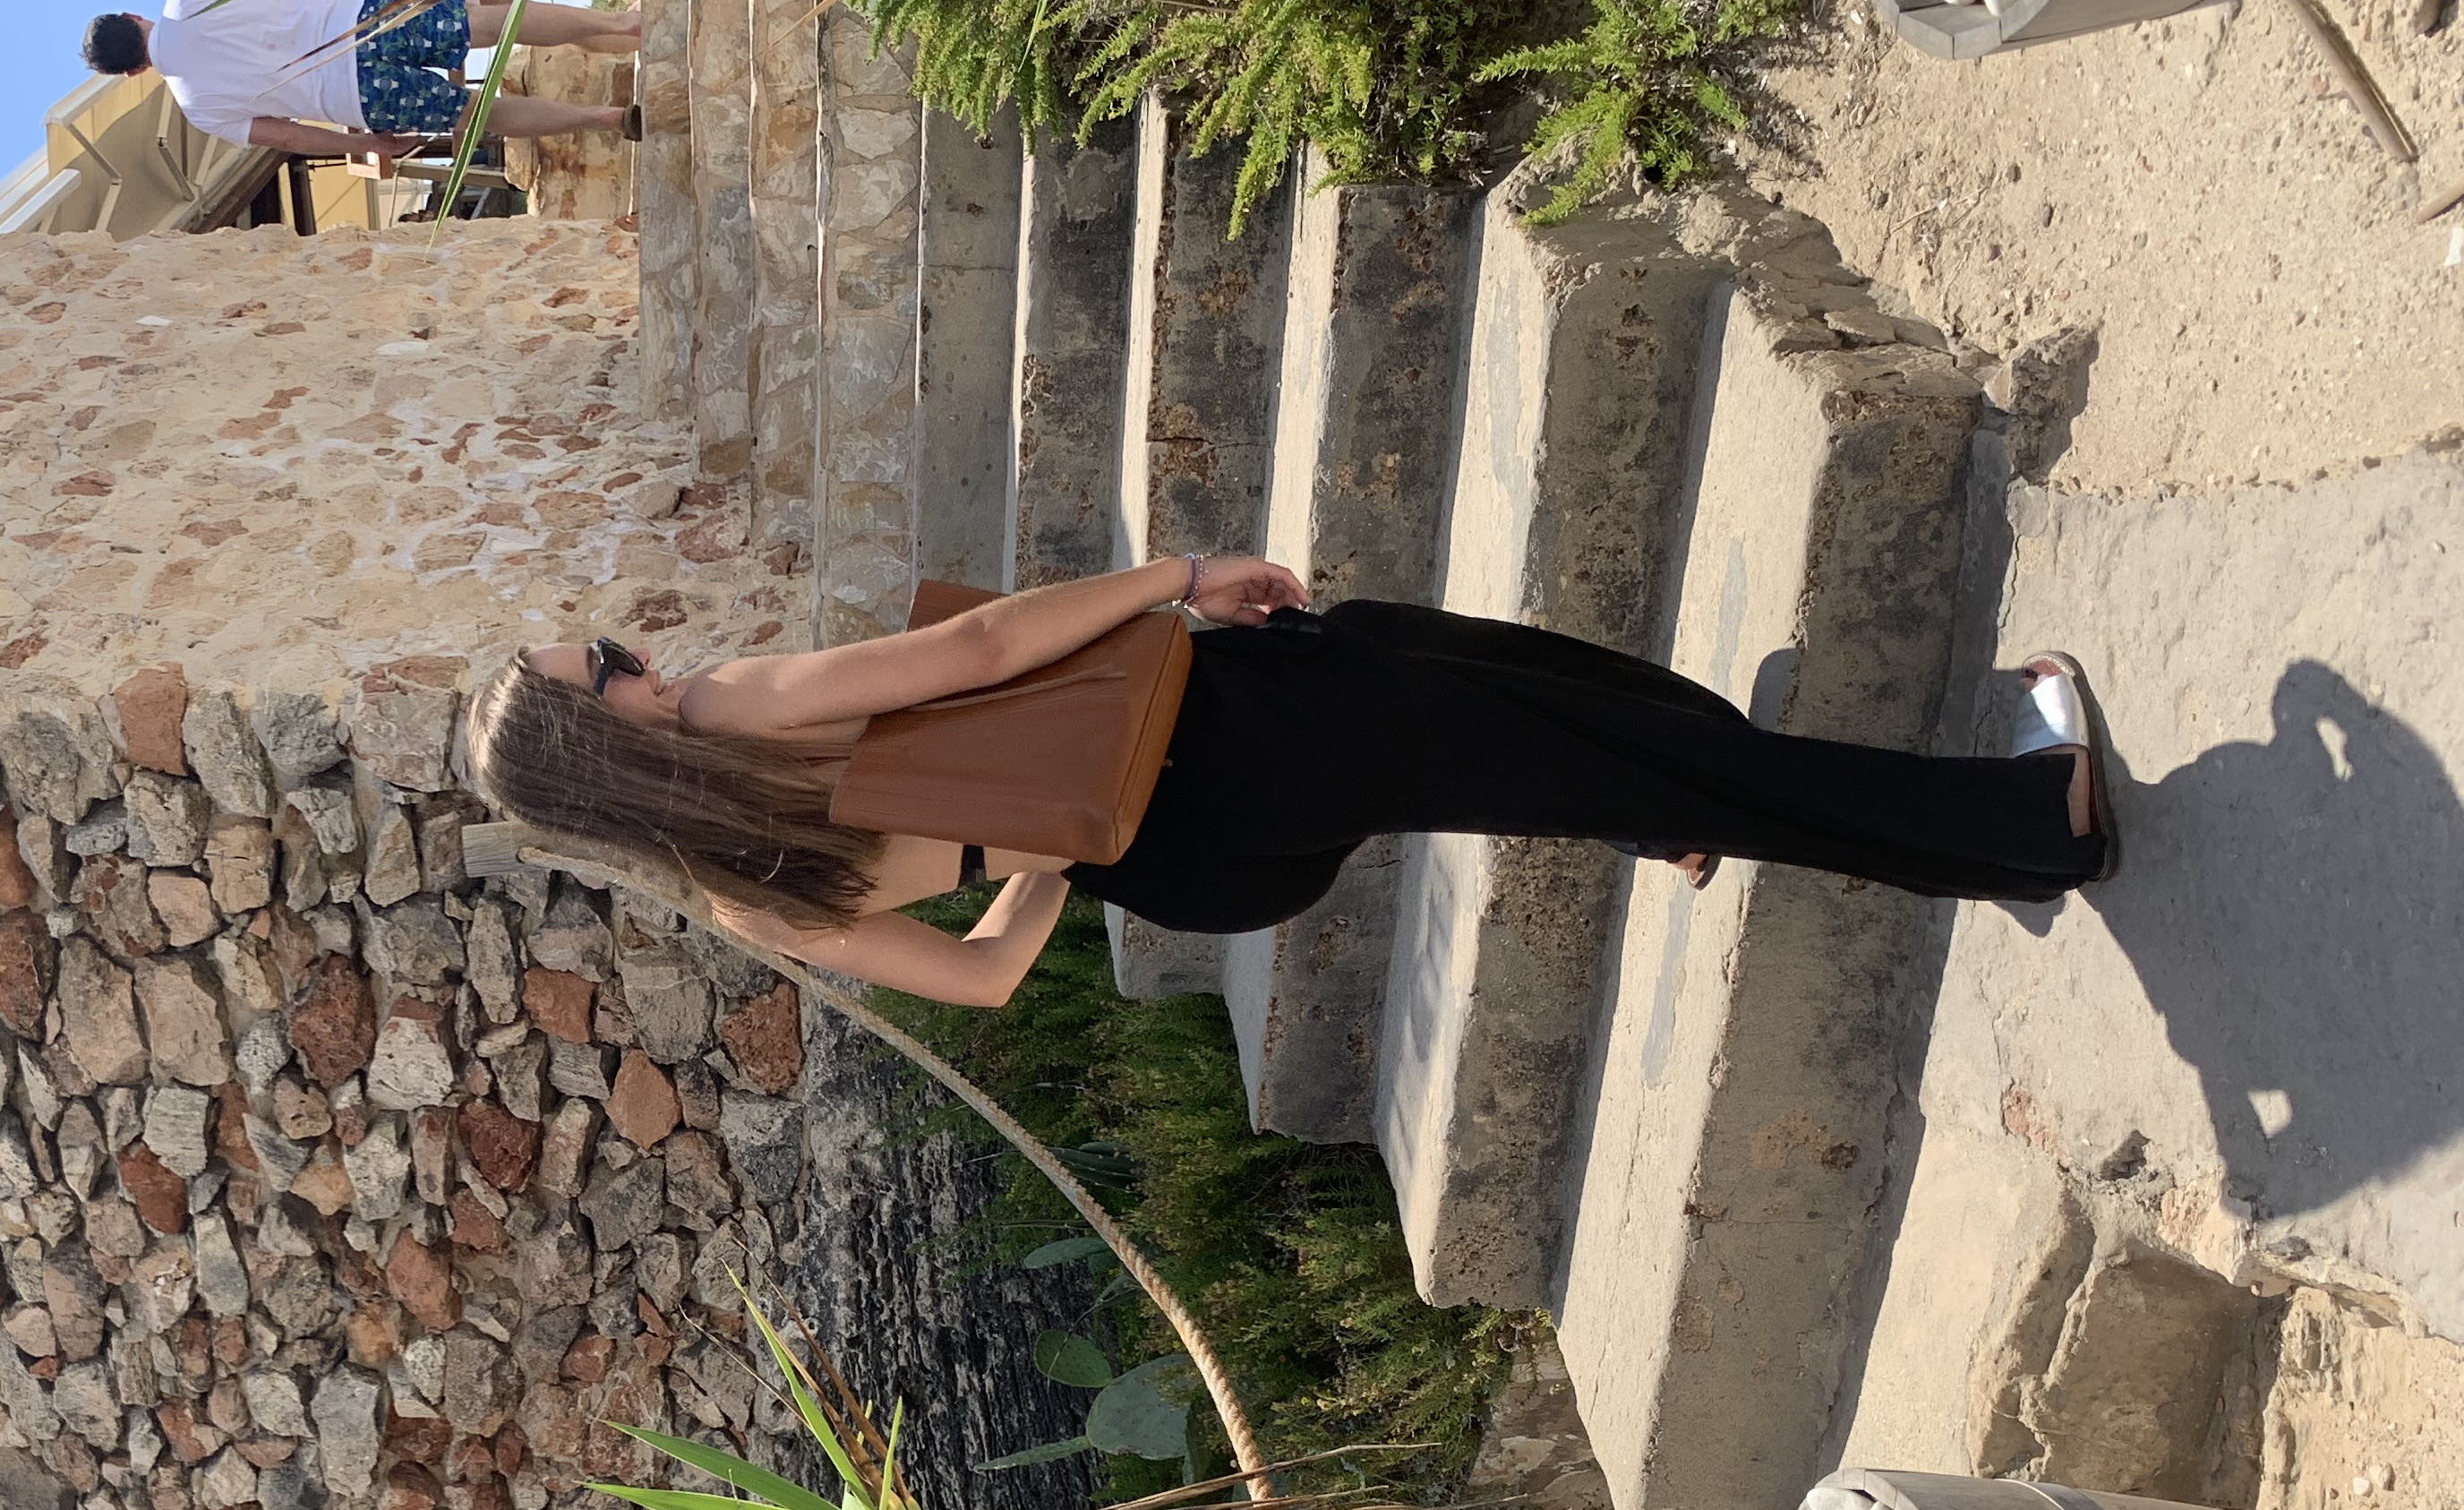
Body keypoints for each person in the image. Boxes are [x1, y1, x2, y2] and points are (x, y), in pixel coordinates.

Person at [460, 563, 2113, 1009]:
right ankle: (2027, 827)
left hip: (1186, 863)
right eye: (597, 665)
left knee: (1511, 702)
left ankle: (1657, 804)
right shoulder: (742, 708)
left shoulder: (745, 897)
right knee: (1578, 720)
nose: (627, 656)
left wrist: (1044, 842)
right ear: (608, 729)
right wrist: (1170, 569)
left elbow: (976, 974)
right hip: (1225, 732)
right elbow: (975, 658)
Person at [84, 0, 643, 170]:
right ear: (134, 18)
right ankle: (627, 28)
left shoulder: (197, 108)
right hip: (357, 22)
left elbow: (288, 135)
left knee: (483, 113)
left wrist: (364, 148)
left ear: (132, 73)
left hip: (357, 100)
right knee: (492, 27)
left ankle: (604, 118)